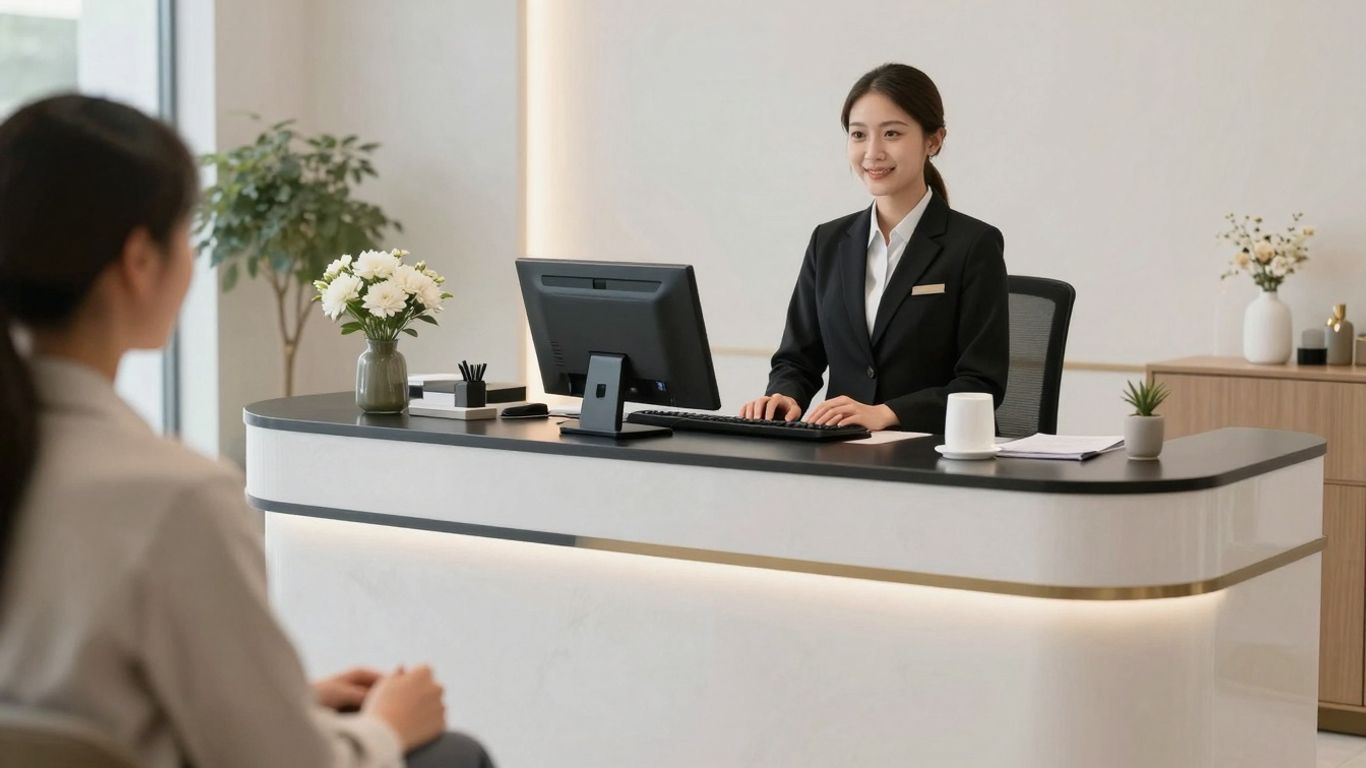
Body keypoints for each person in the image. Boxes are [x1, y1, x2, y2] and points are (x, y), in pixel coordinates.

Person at [0, 94, 493, 768]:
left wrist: (284, 701)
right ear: (139, 260)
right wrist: (385, 727)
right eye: (185, 232)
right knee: (449, 752)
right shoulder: (171, 497)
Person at [739, 63, 1009, 433]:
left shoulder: (973, 244)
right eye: (858, 135)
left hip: (933, 455)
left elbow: (981, 384)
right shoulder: (828, 241)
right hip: (841, 452)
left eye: (892, 134)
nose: (872, 152)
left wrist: (886, 413)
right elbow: (797, 360)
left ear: (934, 140)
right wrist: (786, 395)